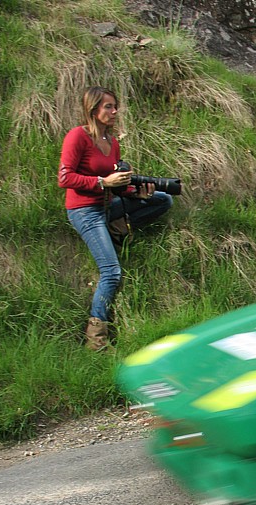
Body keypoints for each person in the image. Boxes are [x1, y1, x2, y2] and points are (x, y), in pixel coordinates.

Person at [58, 86, 173, 350]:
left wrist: (136, 193)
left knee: (163, 199)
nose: (114, 111)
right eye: (108, 106)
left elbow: (117, 186)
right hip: (85, 211)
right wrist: (102, 181)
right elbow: (65, 178)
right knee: (111, 272)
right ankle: (96, 338)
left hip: (109, 205)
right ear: (93, 109)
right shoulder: (78, 137)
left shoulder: (112, 142)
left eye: (115, 106)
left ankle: (116, 229)